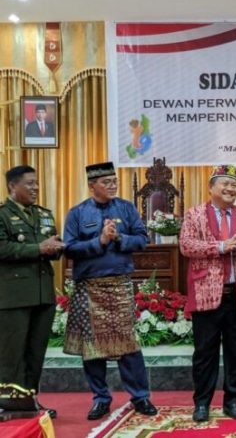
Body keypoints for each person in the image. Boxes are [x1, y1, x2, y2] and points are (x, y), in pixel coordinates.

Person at [63, 162, 158, 421]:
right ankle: (101, 399)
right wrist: (100, 241)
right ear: (92, 185)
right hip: (89, 287)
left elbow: (142, 239)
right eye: (106, 182)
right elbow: (69, 249)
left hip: (119, 284)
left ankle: (140, 396)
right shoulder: (77, 213)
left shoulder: (126, 208)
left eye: (114, 181)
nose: (113, 185)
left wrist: (119, 238)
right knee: (92, 348)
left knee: (128, 344)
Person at [179, 165, 236, 423]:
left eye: (233, 185)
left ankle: (233, 401)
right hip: (207, 293)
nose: (230, 189)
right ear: (211, 188)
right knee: (204, 353)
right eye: (224, 184)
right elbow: (186, 245)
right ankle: (202, 403)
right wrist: (220, 246)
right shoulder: (194, 214)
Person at [0, 165, 63, 419]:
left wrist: (56, 247)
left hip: (42, 294)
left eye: (36, 183)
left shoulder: (44, 214)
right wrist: (39, 248)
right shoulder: (3, 215)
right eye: (29, 184)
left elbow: (51, 246)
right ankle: (6, 402)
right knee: (12, 351)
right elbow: (3, 248)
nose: (35, 188)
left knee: (36, 351)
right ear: (12, 186)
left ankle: (28, 400)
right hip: (14, 296)